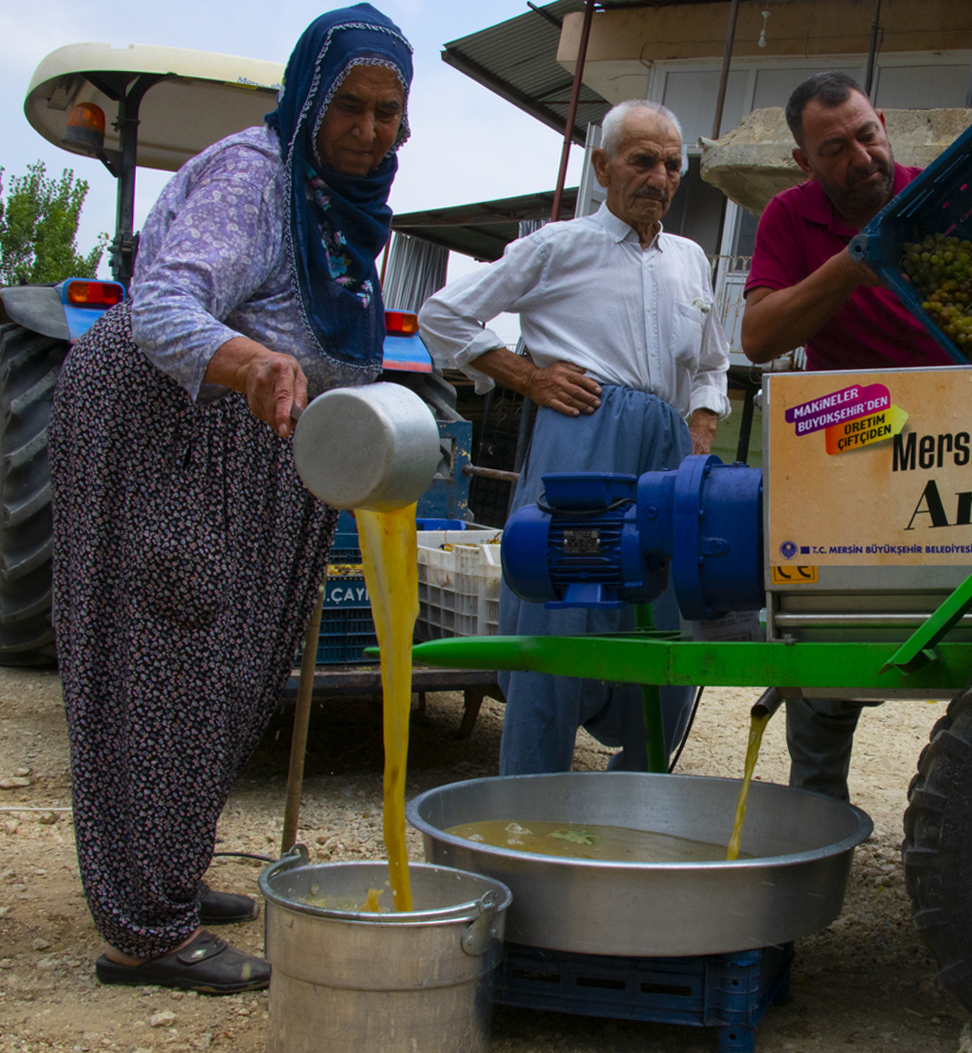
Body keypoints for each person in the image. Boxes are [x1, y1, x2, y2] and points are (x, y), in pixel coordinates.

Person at [49, 5, 413, 994]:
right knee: (166, 654)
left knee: (234, 665)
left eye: (390, 113)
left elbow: (336, 342)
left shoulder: (343, 211)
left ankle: (165, 868)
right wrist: (246, 358)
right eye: (352, 107)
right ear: (307, 98)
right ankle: (144, 935)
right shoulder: (256, 176)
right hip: (172, 419)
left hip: (259, 435)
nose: (371, 131)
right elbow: (164, 301)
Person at [419, 100, 729, 776]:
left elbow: (711, 360)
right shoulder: (559, 245)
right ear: (603, 165)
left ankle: (637, 797)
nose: (661, 176)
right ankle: (529, 804)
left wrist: (702, 419)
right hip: (582, 442)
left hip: (667, 452)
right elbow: (442, 314)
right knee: (558, 616)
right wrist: (524, 375)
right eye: (644, 160)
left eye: (673, 165)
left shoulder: (690, 260)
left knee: (668, 615)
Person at [739, 73, 951, 801]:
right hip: (855, 443)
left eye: (867, 135)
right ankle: (817, 819)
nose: (862, 157)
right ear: (804, 161)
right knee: (829, 650)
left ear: (883, 122)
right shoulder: (788, 218)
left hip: (962, 444)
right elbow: (760, 335)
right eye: (835, 149)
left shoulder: (941, 194)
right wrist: (849, 267)